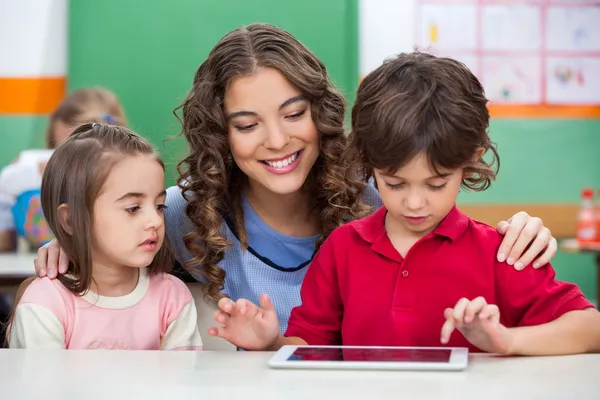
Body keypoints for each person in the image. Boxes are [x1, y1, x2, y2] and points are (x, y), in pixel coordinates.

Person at [34, 24, 558, 334]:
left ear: (320, 112)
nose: (277, 140)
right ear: (221, 133)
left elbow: (449, 233)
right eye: (246, 124)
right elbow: (109, 259)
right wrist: (70, 250)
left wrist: (518, 229)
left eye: (293, 113)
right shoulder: (180, 215)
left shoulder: (378, 199)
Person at [208, 52, 600, 356]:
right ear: (368, 164)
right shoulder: (342, 249)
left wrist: (506, 340)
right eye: (394, 183)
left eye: (436, 183)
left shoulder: (500, 252)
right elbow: (311, 348)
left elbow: (590, 329)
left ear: (470, 160)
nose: (415, 203)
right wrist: (274, 343)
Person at [7, 123, 203, 350]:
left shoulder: (172, 296)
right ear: (70, 220)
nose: (156, 221)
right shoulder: (45, 303)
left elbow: (183, 383)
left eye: (160, 206)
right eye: (133, 208)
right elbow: (44, 385)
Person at [0, 87, 127, 251]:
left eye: (77, 151)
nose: (65, 160)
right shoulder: (28, 168)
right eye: (58, 149)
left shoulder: (125, 176)